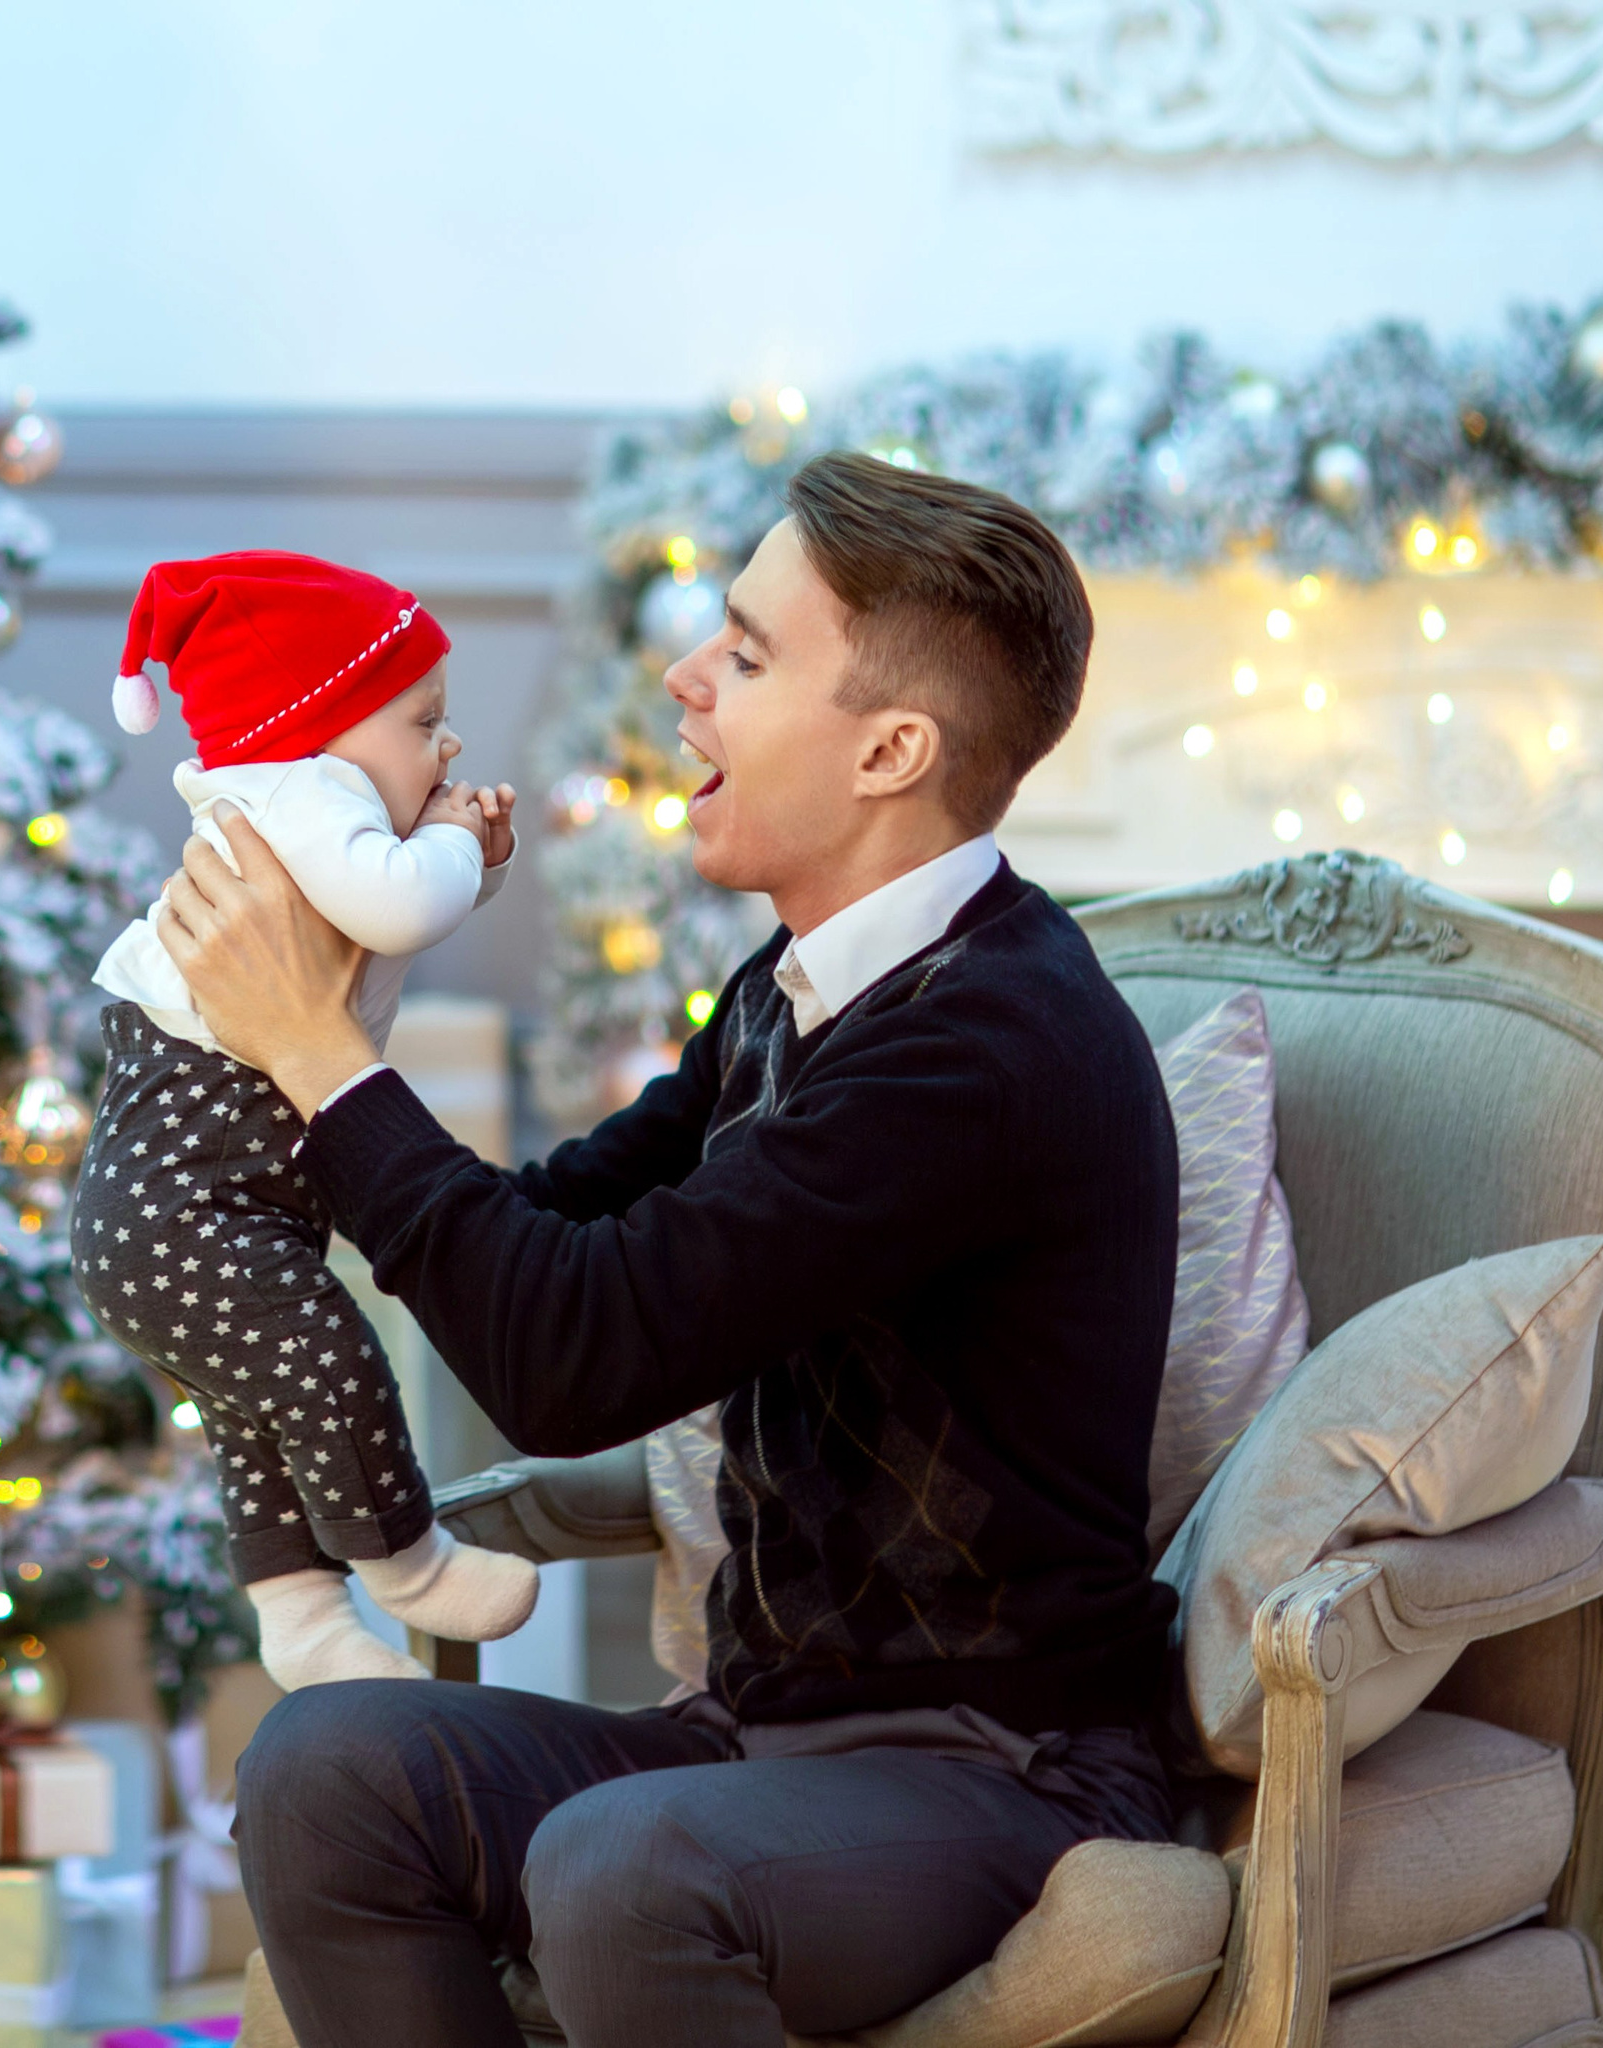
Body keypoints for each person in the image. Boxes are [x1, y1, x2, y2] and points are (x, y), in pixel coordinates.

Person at [152, 454, 1183, 2046]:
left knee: (628, 1869)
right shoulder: (796, 988)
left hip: (999, 1765)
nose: (684, 679)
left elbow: (575, 1358)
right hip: (759, 1744)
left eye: (748, 656)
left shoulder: (987, 1045)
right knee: (324, 1771)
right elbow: (560, 1226)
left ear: (891, 750)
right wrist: (270, 1091)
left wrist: (319, 1059)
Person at [75, 551, 540, 1692]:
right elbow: (399, 898)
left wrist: (460, 859)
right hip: (190, 1189)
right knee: (326, 1358)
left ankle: (301, 1619)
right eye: (423, 720)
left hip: (186, 1197)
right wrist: (450, 848)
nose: (449, 744)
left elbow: (387, 909)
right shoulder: (300, 791)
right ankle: (405, 1558)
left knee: (260, 1409)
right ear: (322, 727)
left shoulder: (305, 804)